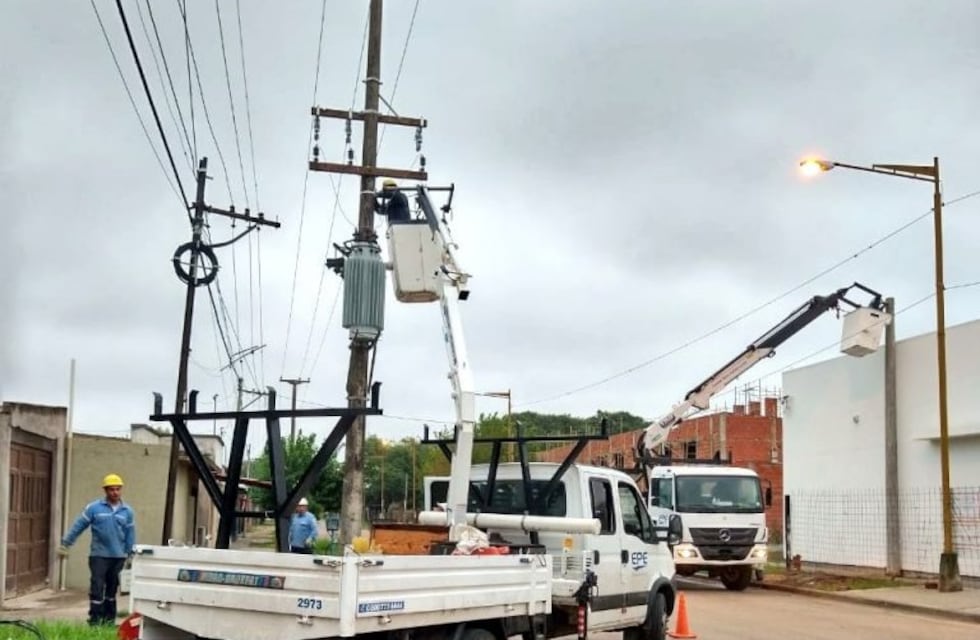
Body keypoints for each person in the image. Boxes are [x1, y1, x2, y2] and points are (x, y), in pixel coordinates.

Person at [58, 473, 135, 626]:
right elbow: (79, 525)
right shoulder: (94, 508)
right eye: (111, 489)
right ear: (105, 490)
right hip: (99, 556)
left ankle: (109, 621)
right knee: (97, 587)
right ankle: (95, 620)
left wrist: (131, 554)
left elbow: (130, 534)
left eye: (118, 489)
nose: (115, 492)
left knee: (112, 589)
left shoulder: (127, 511)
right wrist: (66, 543)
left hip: (118, 557)